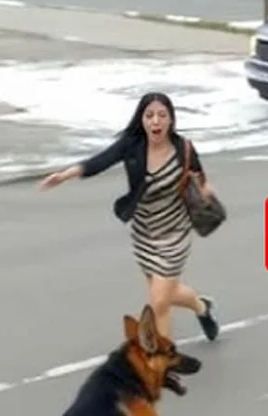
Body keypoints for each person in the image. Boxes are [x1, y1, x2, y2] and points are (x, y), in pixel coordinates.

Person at [39, 91, 220, 345]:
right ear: (141, 119)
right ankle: (202, 307)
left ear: (171, 120)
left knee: (159, 302)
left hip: (175, 231)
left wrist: (206, 190)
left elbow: (199, 177)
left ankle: (165, 360)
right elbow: (100, 161)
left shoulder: (184, 148)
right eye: (149, 115)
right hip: (144, 231)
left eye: (162, 115)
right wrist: (64, 175)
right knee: (166, 294)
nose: (155, 121)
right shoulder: (132, 145)